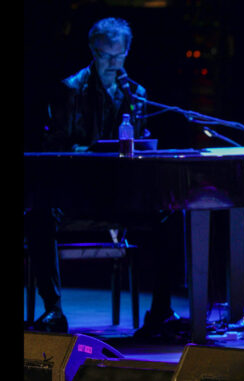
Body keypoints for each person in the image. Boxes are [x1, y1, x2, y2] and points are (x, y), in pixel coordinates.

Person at [25, 17, 182, 338]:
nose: (113, 64)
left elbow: (138, 144)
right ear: (92, 52)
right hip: (77, 194)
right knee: (38, 214)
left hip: (122, 195)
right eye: (105, 56)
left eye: (118, 55)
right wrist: (87, 150)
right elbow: (54, 147)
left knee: (171, 215)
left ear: (127, 51)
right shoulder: (70, 90)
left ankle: (161, 312)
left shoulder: (136, 93)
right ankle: (53, 310)